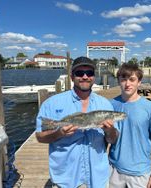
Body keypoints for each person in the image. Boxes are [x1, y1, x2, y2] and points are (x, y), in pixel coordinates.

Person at [35, 56, 118, 188]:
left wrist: (110, 131)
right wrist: (59, 133)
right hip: (66, 178)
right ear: (72, 76)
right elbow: (40, 137)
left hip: (97, 178)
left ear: (94, 77)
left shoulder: (105, 104)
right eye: (79, 73)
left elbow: (113, 140)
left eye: (89, 73)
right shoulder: (51, 103)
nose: (85, 76)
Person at [109, 63, 151, 188]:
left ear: (139, 82)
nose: (127, 84)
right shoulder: (110, 105)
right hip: (114, 169)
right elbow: (106, 139)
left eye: (132, 79)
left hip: (141, 173)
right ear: (118, 81)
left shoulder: (150, 107)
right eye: (123, 79)